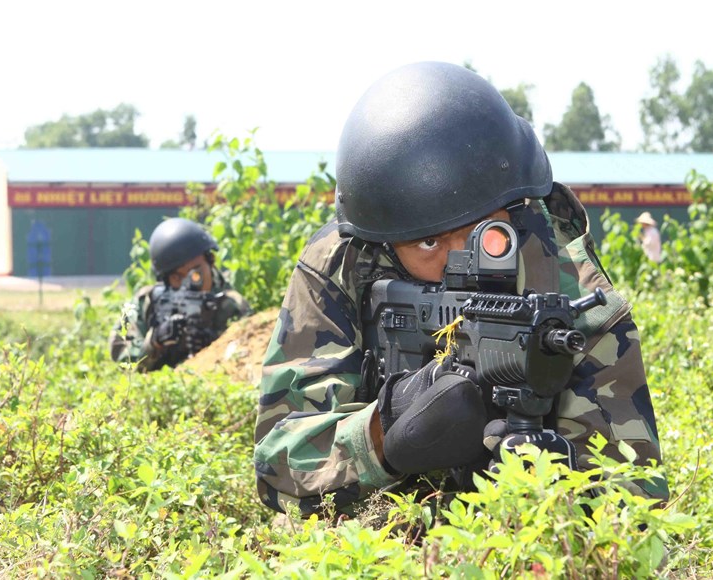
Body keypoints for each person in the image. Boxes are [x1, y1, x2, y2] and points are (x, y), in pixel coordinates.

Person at [254, 62, 668, 516]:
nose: (458, 258)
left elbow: (634, 511)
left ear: (514, 204)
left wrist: (543, 482)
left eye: (483, 232)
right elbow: (278, 468)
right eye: (427, 242)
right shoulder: (343, 264)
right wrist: (386, 430)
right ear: (384, 239)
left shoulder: (573, 299)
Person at [110, 218, 251, 372]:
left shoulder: (232, 304)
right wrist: (154, 342)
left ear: (211, 262)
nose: (188, 283)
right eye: (177, 277)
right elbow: (121, 354)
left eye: (196, 274)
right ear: (165, 279)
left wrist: (215, 342)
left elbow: (250, 356)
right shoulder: (148, 301)